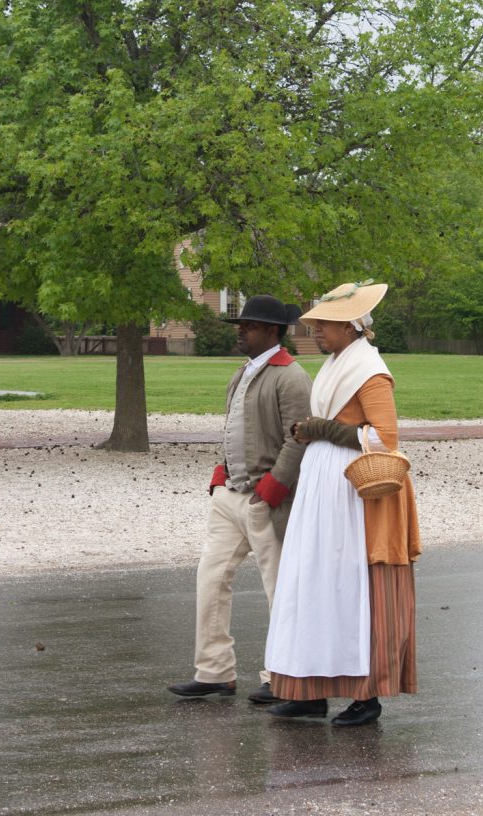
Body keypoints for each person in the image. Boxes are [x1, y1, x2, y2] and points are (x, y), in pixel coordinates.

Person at [264, 281, 421, 726]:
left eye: (325, 326)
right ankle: (308, 689)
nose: (316, 332)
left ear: (351, 328)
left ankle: (364, 695)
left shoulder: (369, 371)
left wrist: (323, 431)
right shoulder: (338, 365)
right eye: (315, 325)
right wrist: (313, 430)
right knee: (312, 581)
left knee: (345, 586)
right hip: (322, 482)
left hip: (348, 491)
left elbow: (385, 438)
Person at [169, 294, 312, 704]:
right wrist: (220, 475)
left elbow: (299, 439)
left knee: (279, 591)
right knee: (210, 581)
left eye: (248, 326)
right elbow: (233, 429)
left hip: (267, 500)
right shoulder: (243, 373)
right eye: (242, 326)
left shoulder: (292, 376)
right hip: (230, 495)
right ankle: (214, 671)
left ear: (271, 331)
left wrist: (272, 489)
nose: (241, 332)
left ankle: (281, 676)